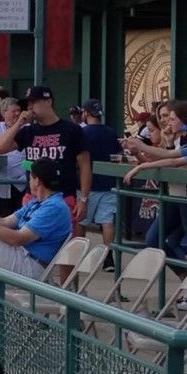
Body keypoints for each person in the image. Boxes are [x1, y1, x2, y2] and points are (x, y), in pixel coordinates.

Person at [0, 83, 92, 217]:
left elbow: (85, 165)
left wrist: (83, 199)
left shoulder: (71, 129)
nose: (30, 107)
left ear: (48, 101)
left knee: (62, 236)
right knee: (27, 235)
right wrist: (19, 123)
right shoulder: (28, 131)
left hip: (62, 196)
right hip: (33, 198)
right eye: (28, 103)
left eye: (34, 102)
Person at [78, 99, 123, 257]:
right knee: (107, 221)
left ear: (86, 113)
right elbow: (118, 156)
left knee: (80, 221)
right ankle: (108, 256)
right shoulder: (111, 132)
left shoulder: (81, 133)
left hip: (86, 185)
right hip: (109, 183)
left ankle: (77, 254)